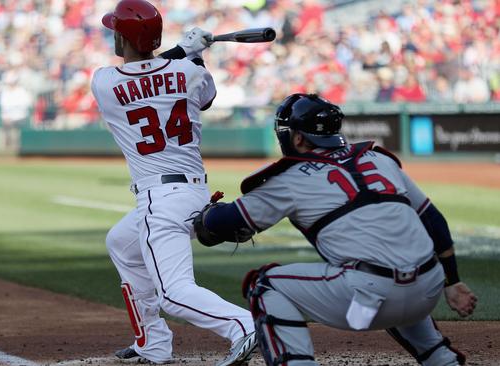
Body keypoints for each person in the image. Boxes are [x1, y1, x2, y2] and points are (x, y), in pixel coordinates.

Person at [193, 93, 478, 366]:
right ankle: (442, 359)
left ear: (298, 137)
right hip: (428, 290)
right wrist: (452, 281)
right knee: (394, 265)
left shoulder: (290, 179)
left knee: (264, 284)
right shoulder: (378, 160)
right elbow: (434, 221)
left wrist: (207, 214)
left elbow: (224, 222)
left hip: (372, 299)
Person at [89, 1, 257, 365]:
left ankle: (244, 325)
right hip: (195, 190)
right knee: (121, 242)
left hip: (160, 198)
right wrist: (193, 56)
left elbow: (146, 71)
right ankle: (152, 342)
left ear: (122, 37)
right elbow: (205, 98)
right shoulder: (189, 71)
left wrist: (186, 49)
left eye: (115, 30)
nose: (112, 35)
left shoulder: (103, 81)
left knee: (173, 292)